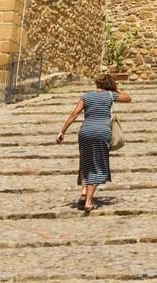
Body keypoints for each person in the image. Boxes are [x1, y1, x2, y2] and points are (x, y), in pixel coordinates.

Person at [56, 74, 130, 212]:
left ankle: (84, 192)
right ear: (109, 85)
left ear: (97, 84)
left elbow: (74, 114)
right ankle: (89, 202)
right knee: (99, 165)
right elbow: (128, 98)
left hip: (85, 132)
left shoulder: (86, 96)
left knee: (85, 162)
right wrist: (116, 89)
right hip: (102, 132)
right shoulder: (110, 95)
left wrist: (62, 132)